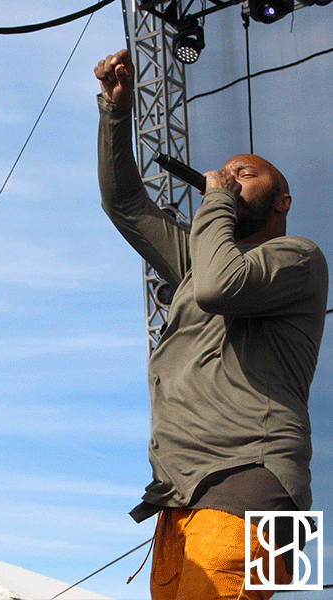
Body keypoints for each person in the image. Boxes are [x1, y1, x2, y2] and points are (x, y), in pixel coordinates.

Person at [94, 48, 328, 599]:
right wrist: (116, 113)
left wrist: (216, 200)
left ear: (283, 200)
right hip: (182, 493)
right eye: (226, 173)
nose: (229, 178)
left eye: (246, 173)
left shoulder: (300, 257)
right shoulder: (203, 257)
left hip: (254, 481)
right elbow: (125, 203)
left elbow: (221, 286)